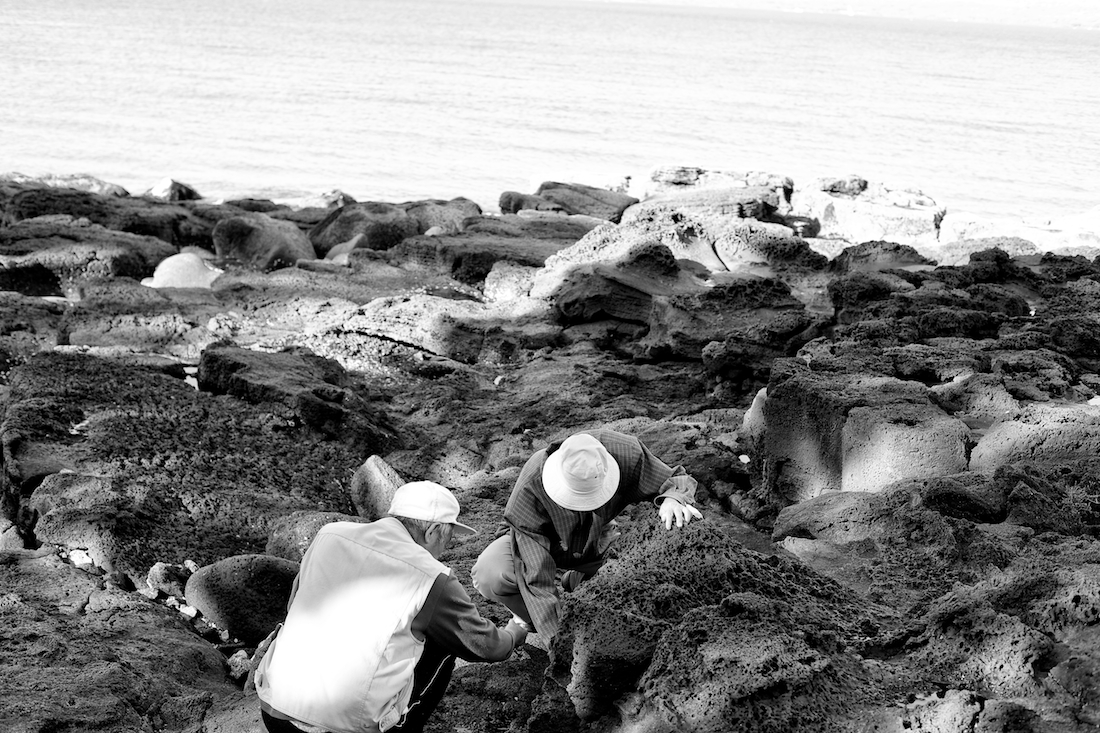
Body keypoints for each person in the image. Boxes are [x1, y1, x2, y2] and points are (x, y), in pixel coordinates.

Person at [253, 480, 528, 733]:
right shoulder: (432, 576)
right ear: (432, 531)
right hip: (344, 729)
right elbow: (486, 646)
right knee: (445, 642)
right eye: (448, 538)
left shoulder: (328, 535)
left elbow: (294, 604)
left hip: (274, 710)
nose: (445, 548)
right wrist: (515, 632)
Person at [471, 429, 702, 640]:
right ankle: (530, 621)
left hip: (597, 540)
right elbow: (536, 578)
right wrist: (559, 643)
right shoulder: (532, 485)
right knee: (492, 574)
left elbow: (675, 479)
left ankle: (580, 581)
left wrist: (672, 498)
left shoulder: (626, 452)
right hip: (541, 544)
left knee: (658, 553)